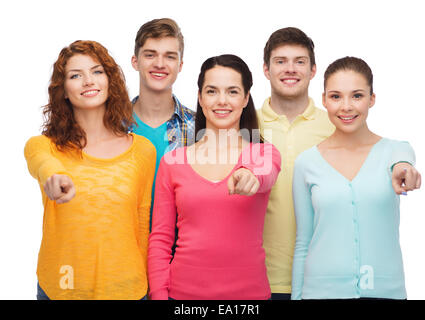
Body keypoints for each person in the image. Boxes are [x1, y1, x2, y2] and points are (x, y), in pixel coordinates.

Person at [258, 27, 421, 300]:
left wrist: (404, 167)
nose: (346, 106)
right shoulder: (250, 126)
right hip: (270, 279)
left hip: (373, 288)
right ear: (266, 69)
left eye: (299, 61)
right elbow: (304, 240)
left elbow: (399, 155)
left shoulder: (373, 142)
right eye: (336, 97)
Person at [24, 40, 156, 300]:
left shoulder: (143, 150)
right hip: (61, 289)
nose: (88, 81)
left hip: (129, 290)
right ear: (63, 90)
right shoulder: (45, 147)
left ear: (110, 80)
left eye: (97, 71)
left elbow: (142, 226)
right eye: (76, 75)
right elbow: (42, 164)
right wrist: (53, 176)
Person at [147, 54, 281, 300]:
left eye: (232, 92)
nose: (222, 101)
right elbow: (160, 239)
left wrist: (250, 174)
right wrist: (158, 294)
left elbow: (266, 173)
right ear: (200, 97)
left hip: (249, 298)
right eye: (212, 91)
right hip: (183, 297)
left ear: (246, 98)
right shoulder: (172, 161)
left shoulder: (262, 153)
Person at [130, 18, 195, 227]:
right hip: (123, 247)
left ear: (180, 65)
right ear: (135, 61)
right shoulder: (111, 126)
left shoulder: (199, 127)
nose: (159, 64)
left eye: (169, 56)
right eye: (150, 55)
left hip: (180, 251)